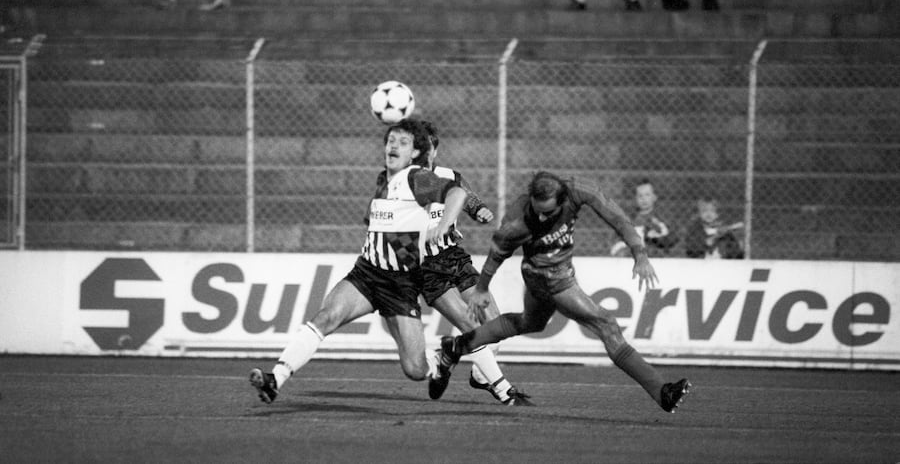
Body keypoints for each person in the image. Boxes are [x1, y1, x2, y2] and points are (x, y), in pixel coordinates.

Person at [249, 118, 469, 404]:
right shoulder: (383, 179)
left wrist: (443, 225)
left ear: (415, 153)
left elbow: (457, 192)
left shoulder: (417, 178)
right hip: (367, 273)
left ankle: (442, 360)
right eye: (391, 141)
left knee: (415, 369)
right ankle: (275, 378)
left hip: (401, 284)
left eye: (403, 143)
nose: (393, 146)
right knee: (327, 316)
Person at [433, 171, 691, 413]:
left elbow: (616, 217)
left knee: (530, 322)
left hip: (552, 272)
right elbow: (496, 255)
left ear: (563, 198)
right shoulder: (517, 220)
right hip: (548, 278)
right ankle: (661, 392)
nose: (542, 218)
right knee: (606, 324)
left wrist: (639, 252)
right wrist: (481, 288)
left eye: (549, 212)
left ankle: (456, 346)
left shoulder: (579, 189)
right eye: (538, 211)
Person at [420, 120, 531, 406]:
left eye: (428, 148)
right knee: (469, 325)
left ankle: (473, 372)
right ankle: (503, 390)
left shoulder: (449, 176)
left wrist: (479, 209)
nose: (424, 153)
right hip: (426, 265)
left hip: (454, 257)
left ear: (434, 149)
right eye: (418, 148)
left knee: (493, 321)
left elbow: (468, 198)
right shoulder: (403, 183)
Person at [610, 178, 679, 256]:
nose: (644, 199)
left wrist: (655, 238)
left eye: (647, 195)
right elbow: (615, 244)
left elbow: (673, 240)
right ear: (635, 198)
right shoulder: (628, 220)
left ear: (654, 197)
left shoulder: (662, 219)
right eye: (640, 196)